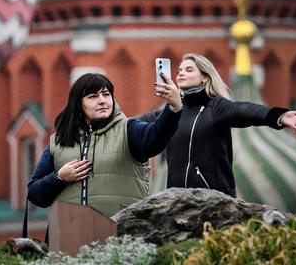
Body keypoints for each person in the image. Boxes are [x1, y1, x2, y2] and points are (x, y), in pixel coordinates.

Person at [26, 71, 182, 217]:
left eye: (106, 94)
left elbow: (155, 138)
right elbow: (35, 194)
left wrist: (173, 108)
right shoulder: (59, 140)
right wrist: (59, 178)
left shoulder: (128, 129)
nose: (102, 101)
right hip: (68, 236)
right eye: (93, 96)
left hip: (119, 236)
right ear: (78, 104)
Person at [163, 52, 296, 196]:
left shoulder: (215, 107)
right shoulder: (173, 112)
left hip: (212, 200)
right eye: (179, 71)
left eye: (189, 70)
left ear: (204, 77)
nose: (181, 74)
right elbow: (145, 126)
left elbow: (244, 110)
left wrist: (277, 116)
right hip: (177, 201)